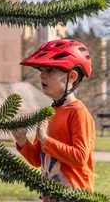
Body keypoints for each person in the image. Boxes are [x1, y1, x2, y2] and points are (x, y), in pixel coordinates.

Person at [13, 39, 95, 202]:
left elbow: (80, 157)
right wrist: (22, 142)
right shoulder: (49, 112)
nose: (42, 75)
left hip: (75, 197)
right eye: (41, 70)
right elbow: (38, 159)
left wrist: (45, 139)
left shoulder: (78, 112)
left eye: (50, 70)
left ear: (72, 76)